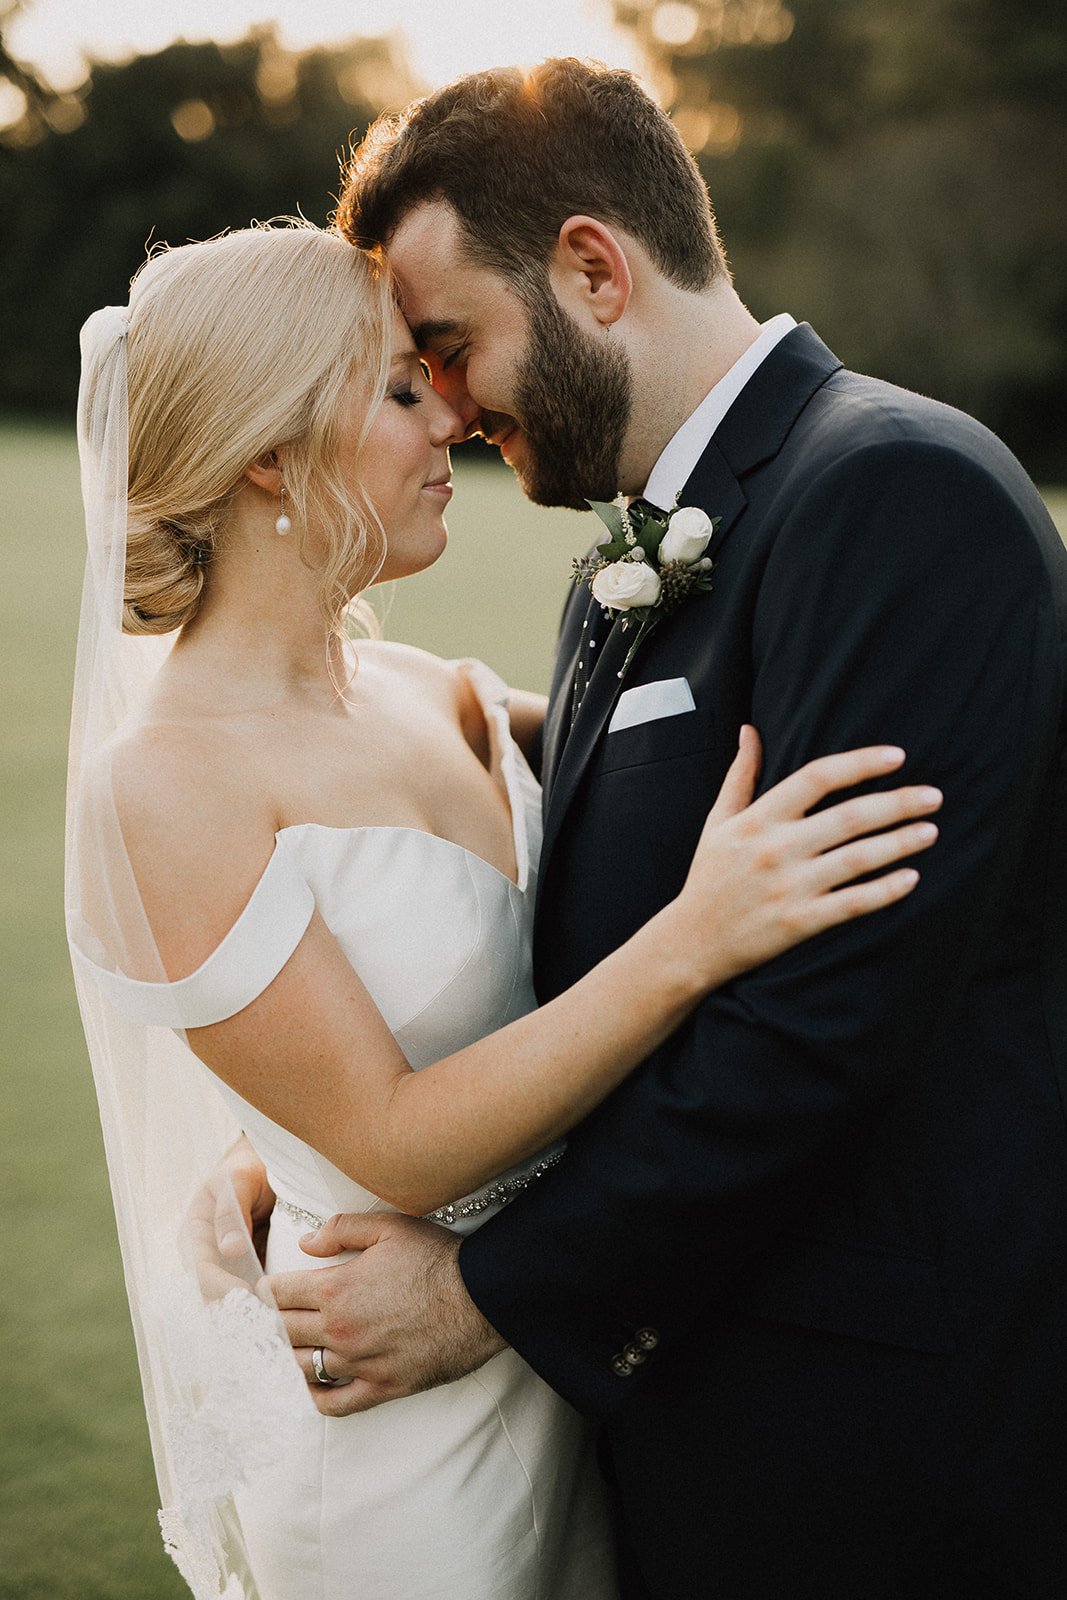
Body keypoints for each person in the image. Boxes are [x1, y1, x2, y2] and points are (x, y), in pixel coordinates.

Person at [246, 59, 1067, 1600]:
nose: (447, 400)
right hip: (697, 1415)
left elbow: (821, 1029)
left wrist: (487, 1291)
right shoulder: (627, 561)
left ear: (592, 269)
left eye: (448, 343)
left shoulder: (895, 495)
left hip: (873, 1443)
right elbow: (570, 883)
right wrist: (305, 1142)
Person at [65, 221, 938, 1600]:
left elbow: (689, 767)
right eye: (403, 390)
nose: (453, 423)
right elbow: (396, 1145)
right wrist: (696, 937)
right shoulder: (161, 784)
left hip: (579, 1374)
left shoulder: (439, 690)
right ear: (267, 455)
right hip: (400, 1439)